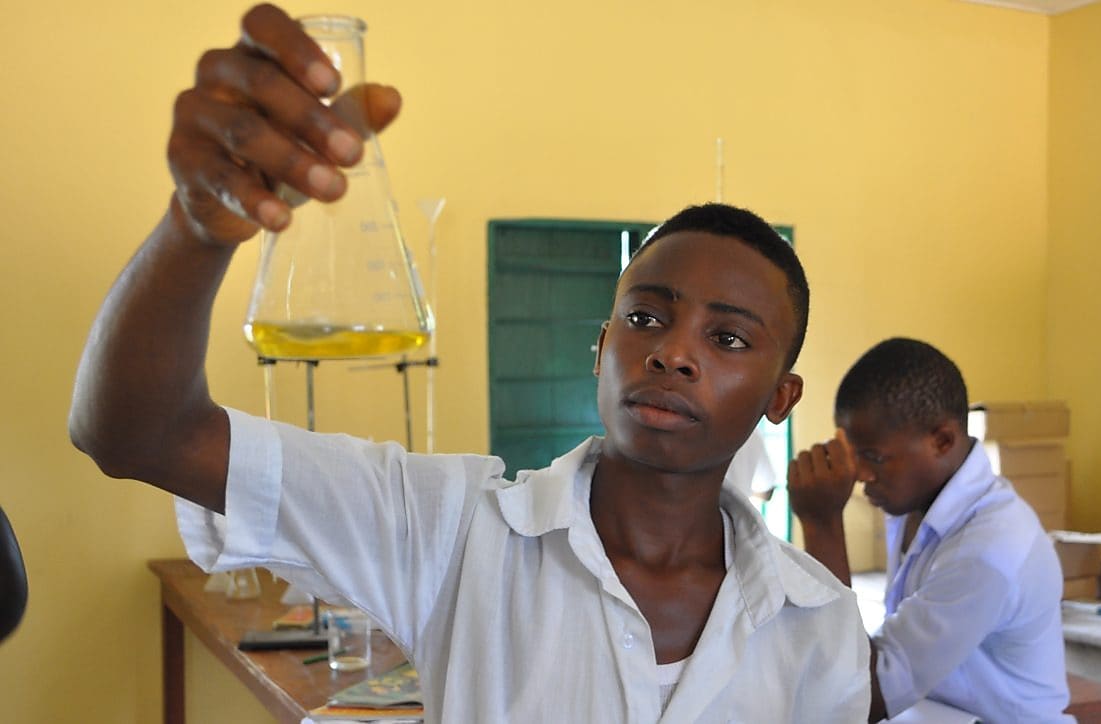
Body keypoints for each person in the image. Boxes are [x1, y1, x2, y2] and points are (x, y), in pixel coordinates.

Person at [67, 5, 869, 721]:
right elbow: (140, 435)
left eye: (728, 338)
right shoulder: (453, 529)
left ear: (781, 395)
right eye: (646, 317)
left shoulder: (817, 620)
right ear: (601, 348)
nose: (672, 352)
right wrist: (198, 226)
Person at [788, 338, 1070, 723]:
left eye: (873, 457)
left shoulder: (988, 550)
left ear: (942, 440)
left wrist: (822, 524)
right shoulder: (912, 503)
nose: (861, 475)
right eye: (854, 456)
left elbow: (859, 696)